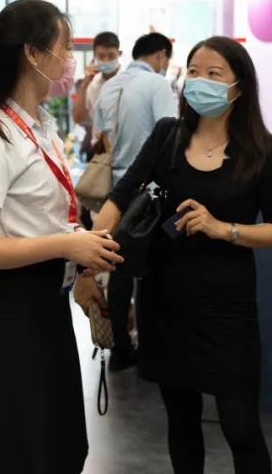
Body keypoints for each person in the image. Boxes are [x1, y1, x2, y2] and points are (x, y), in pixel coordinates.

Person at [91, 37, 272, 473]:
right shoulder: (168, 135)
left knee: (240, 425)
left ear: (239, 86)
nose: (200, 82)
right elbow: (122, 196)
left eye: (214, 74)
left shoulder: (261, 151)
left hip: (227, 307)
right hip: (165, 301)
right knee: (181, 422)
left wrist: (224, 229)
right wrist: (91, 254)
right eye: (194, 72)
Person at [0, 0, 124, 473]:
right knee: (16, 452)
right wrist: (65, 245)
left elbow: (37, 216)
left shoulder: (40, 125)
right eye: (64, 48)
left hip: (47, 307)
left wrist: (79, 253)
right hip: (9, 316)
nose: (69, 60)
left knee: (54, 447)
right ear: (33, 53)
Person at [94, 31, 180, 370]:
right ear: (160, 56)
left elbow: (101, 138)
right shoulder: (157, 85)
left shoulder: (109, 87)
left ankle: (120, 347)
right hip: (152, 189)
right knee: (153, 261)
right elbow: (171, 136)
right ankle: (152, 345)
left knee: (119, 267)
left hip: (117, 186)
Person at [75, 31, 122, 154]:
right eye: (101, 56)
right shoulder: (92, 84)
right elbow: (77, 118)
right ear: (95, 56)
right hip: (99, 151)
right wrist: (84, 84)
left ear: (119, 53)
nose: (106, 60)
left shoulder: (129, 80)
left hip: (124, 149)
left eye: (111, 56)